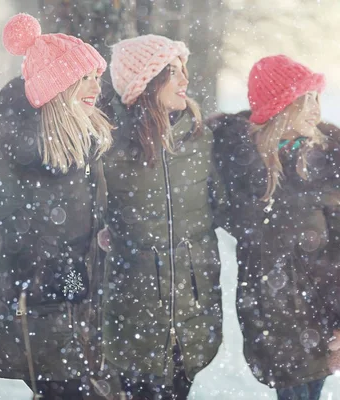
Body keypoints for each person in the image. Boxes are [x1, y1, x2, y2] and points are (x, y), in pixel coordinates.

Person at [0, 13, 113, 399]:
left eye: (97, 76)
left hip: (78, 305)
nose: (96, 86)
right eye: (85, 78)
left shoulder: (87, 143)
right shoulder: (12, 154)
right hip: (34, 314)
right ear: (57, 88)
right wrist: (27, 264)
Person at [207, 55, 340, 400]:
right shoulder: (239, 165)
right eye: (306, 100)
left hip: (321, 318)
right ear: (280, 107)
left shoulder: (326, 164)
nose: (316, 109)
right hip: (268, 320)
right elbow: (205, 212)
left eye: (318, 98)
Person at [99, 35, 228, 400]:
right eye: (173, 71)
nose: (185, 79)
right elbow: (82, 230)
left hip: (192, 317)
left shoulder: (199, 138)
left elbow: (226, 207)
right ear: (146, 80)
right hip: (134, 321)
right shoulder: (109, 148)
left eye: (184, 68)